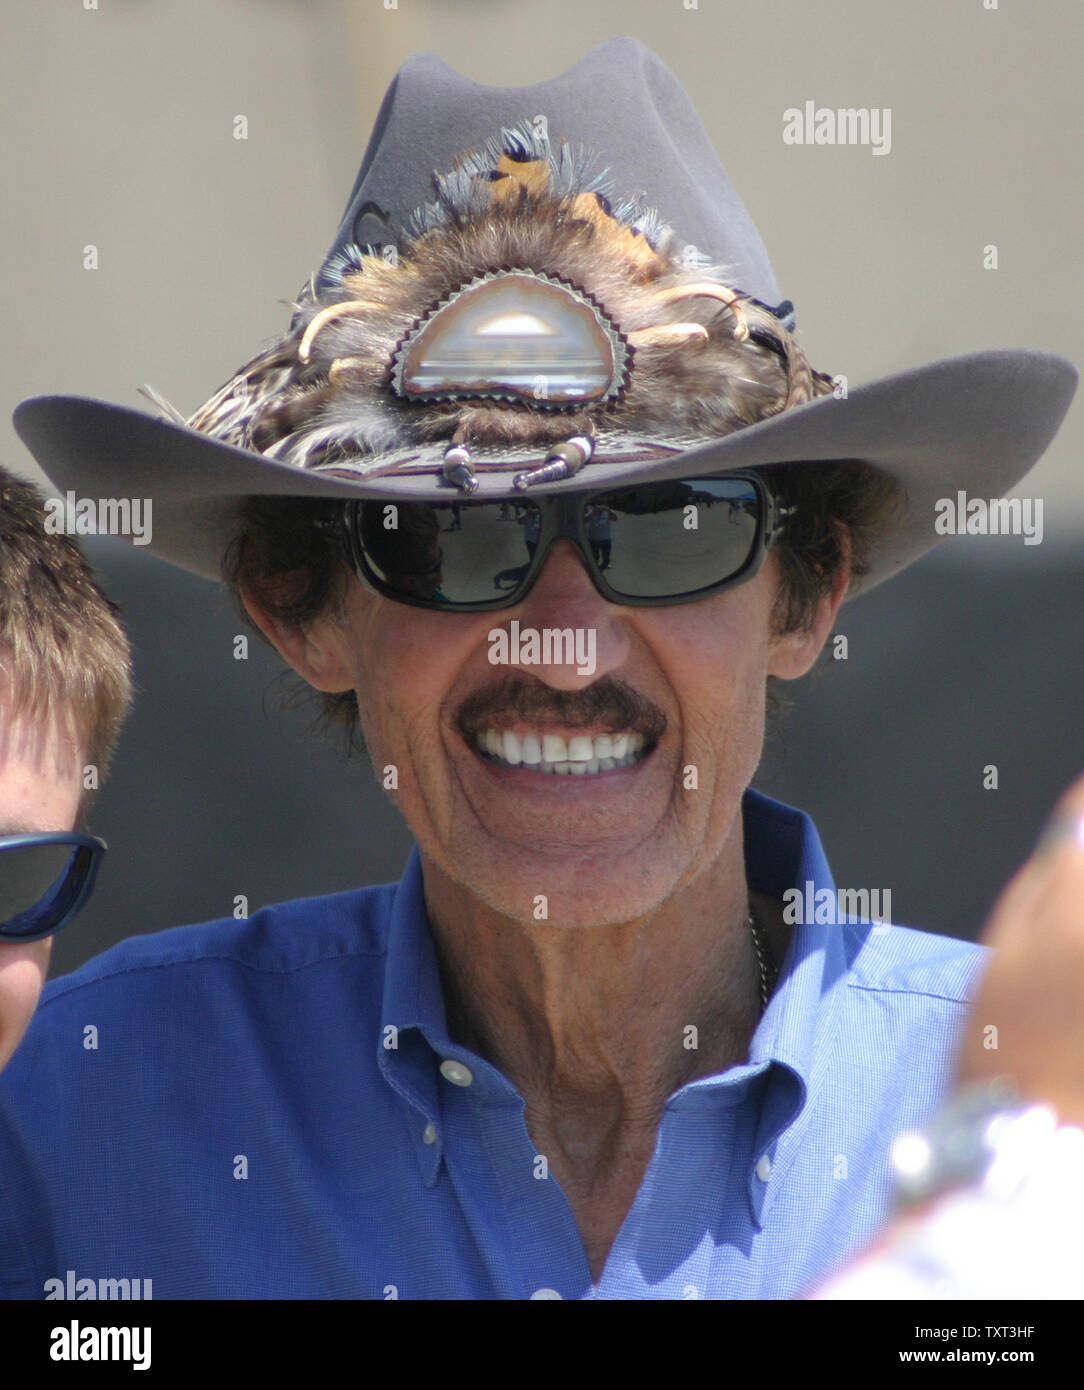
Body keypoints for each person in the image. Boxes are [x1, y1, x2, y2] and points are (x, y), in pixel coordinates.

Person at [2, 40, 1078, 1299]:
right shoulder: (71, 1108)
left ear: (808, 589)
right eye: (453, 538)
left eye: (677, 525)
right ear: (298, 606)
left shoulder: (1040, 1120)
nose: (566, 645)